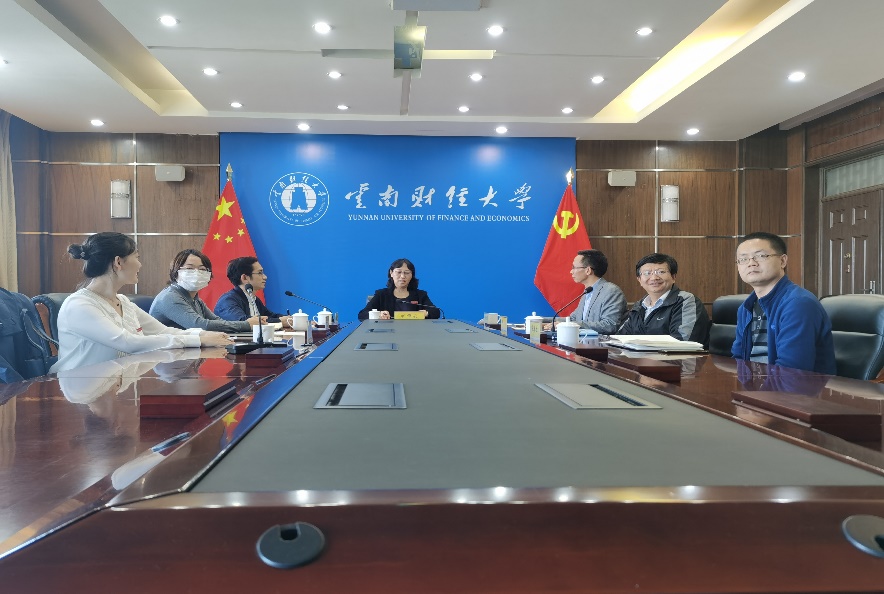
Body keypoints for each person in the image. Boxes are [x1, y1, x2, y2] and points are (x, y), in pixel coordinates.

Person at [49, 233, 231, 373]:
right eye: (137, 257)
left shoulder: (123, 302)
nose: (140, 264)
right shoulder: (79, 305)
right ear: (118, 262)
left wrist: (206, 335)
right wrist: (197, 340)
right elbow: (128, 343)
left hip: (114, 389)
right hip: (77, 392)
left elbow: (164, 331)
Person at [732, 231, 835, 373]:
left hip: (797, 386)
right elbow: (738, 360)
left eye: (761, 256)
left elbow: (791, 371)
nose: (751, 263)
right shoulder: (746, 308)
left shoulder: (798, 304)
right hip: (757, 385)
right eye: (743, 259)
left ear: (783, 261)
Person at [149, 249, 262, 333]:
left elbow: (217, 320)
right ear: (175, 272)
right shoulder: (170, 297)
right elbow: (201, 325)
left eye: (202, 269)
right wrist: (246, 325)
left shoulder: (195, 299)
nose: (196, 273)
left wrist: (248, 324)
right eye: (189, 268)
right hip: (164, 354)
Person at [619, 253, 710, 344]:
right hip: (641, 353)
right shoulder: (639, 306)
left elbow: (682, 343)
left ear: (673, 277)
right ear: (639, 280)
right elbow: (620, 339)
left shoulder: (686, 301)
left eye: (661, 272)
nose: (654, 278)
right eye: (647, 273)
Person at [214, 257, 294, 328]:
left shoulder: (253, 299)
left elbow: (271, 316)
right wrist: (280, 321)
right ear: (245, 278)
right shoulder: (228, 301)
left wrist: (291, 319)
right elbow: (243, 322)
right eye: (260, 273)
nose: (265, 277)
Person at [564, 249, 626, 334]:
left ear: (588, 270)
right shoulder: (587, 292)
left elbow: (609, 325)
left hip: (603, 342)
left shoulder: (611, 291)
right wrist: (548, 321)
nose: (571, 272)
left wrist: (572, 325)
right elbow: (572, 319)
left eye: (574, 267)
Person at [358, 258, 440, 320]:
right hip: (388, 333)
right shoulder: (381, 294)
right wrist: (379, 314)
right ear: (391, 273)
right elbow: (362, 314)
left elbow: (436, 312)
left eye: (407, 273)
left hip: (415, 333)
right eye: (399, 272)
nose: (402, 276)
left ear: (412, 275)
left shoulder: (421, 295)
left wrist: (426, 313)